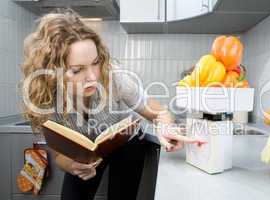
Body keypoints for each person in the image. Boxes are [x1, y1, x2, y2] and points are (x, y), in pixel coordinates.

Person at [21, 9, 204, 200]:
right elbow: (59, 157)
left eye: (96, 62)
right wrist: (72, 166)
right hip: (86, 154)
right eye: (77, 70)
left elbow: (159, 112)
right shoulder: (46, 100)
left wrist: (166, 126)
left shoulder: (114, 76)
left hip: (127, 143)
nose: (92, 77)